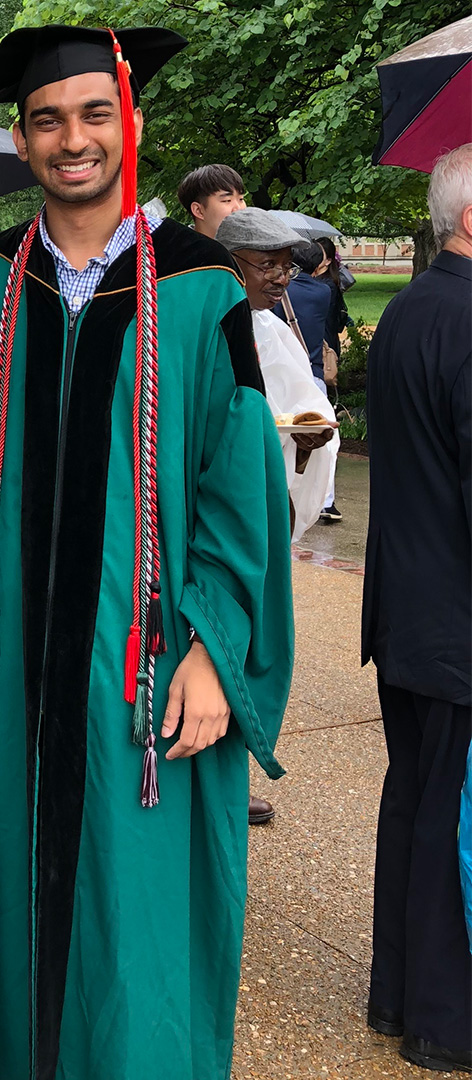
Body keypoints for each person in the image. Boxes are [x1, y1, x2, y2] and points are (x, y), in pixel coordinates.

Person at [0, 25, 295, 1079]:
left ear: (130, 126)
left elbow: (241, 489)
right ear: (22, 137)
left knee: (135, 911)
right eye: (50, 119)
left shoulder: (202, 290)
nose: (74, 140)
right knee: (7, 903)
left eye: (95, 115)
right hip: (7, 677)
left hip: (139, 665)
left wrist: (210, 644)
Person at [361, 142, 472, 1075]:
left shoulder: (407, 309)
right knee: (447, 811)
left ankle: (396, 993)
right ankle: (442, 1016)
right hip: (457, 616)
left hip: (409, 606)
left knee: (416, 800)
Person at [218, 209, 339, 541]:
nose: (282, 278)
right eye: (268, 265)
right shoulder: (198, 330)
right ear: (228, 262)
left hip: (266, 501)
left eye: (287, 267)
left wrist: (305, 443)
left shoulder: (274, 330)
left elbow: (304, 406)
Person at [276, 240, 342, 521]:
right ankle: (324, 502)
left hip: (282, 374)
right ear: (319, 265)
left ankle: (285, 495)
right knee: (322, 441)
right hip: (313, 372)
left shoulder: (281, 290)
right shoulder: (323, 292)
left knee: (284, 440)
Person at [177, 162, 247, 238]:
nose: (238, 209)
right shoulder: (178, 249)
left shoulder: (252, 247)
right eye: (227, 200)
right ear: (198, 210)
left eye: (241, 199)